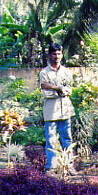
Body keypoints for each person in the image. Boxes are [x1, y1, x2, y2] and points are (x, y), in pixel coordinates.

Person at [39, 43, 75, 174]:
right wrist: (57, 89)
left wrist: (63, 90)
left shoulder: (66, 72)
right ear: (50, 55)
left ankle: (69, 166)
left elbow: (69, 89)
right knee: (51, 140)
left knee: (67, 139)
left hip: (65, 110)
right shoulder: (44, 73)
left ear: (62, 54)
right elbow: (44, 90)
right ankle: (51, 167)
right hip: (51, 111)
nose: (57, 56)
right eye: (54, 53)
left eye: (59, 53)